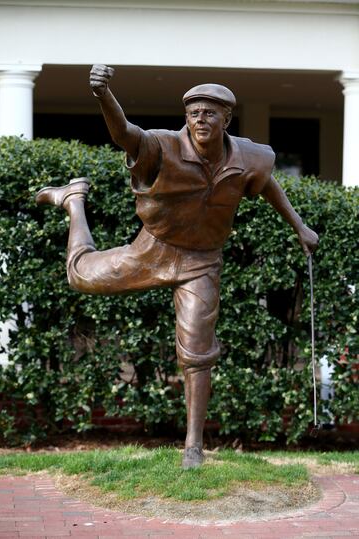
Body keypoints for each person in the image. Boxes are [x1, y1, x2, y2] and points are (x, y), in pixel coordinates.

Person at [36, 65, 319, 469]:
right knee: (80, 275)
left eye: (209, 113)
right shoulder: (163, 146)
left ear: (226, 119)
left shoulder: (250, 156)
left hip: (202, 261)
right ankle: (73, 200)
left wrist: (300, 226)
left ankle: (193, 446)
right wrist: (103, 96)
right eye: (193, 113)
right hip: (153, 249)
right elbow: (126, 135)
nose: (200, 120)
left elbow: (267, 184)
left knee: (198, 351)